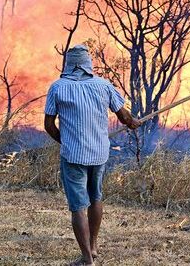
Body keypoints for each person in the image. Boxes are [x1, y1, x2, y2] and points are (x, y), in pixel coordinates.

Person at [44, 44, 141, 266]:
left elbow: (49, 125)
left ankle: (87, 259)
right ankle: (93, 246)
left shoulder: (57, 87)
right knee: (95, 197)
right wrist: (133, 122)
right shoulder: (103, 85)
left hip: (73, 156)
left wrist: (66, 141)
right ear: (89, 64)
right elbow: (125, 117)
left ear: (68, 65)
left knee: (78, 206)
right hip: (99, 153)